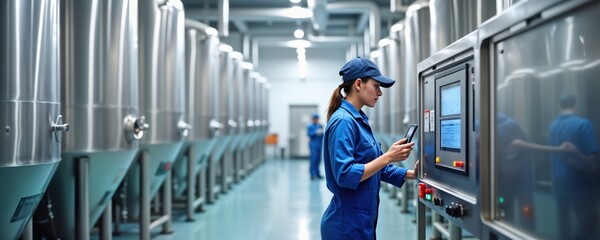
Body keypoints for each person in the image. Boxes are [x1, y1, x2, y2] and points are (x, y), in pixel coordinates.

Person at [320, 57, 418, 240]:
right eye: (376, 86)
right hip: (346, 226)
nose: (380, 93)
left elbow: (375, 167)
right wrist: (388, 157)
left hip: (362, 221)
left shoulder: (360, 120)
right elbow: (345, 174)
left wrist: (412, 174)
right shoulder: (343, 122)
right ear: (359, 84)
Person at [548, 94, 599, 240]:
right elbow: (592, 158)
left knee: (564, 226)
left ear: (560, 106)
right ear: (575, 104)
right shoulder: (583, 124)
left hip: (559, 182)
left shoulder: (553, 126)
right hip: (579, 184)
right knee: (589, 224)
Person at [307, 113, 324, 180]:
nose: (316, 120)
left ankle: (317, 173)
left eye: (317, 119)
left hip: (319, 144)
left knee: (318, 159)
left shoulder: (320, 126)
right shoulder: (310, 126)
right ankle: (312, 174)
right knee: (313, 159)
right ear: (313, 119)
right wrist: (315, 132)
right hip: (313, 145)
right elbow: (308, 133)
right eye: (315, 119)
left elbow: (322, 134)